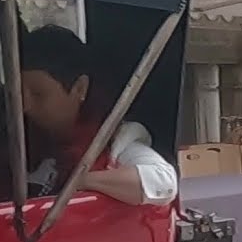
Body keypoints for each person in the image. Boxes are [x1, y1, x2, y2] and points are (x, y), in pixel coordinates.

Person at [20, 24, 178, 206]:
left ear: (80, 88)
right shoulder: (21, 142)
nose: (26, 106)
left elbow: (163, 182)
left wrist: (81, 181)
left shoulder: (114, 140)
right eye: (17, 95)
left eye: (39, 94)